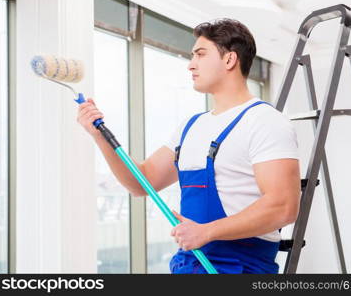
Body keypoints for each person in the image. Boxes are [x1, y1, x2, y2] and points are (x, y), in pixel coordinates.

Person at [77, 18, 301, 274]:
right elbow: (141, 182)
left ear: (229, 60)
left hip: (241, 268)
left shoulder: (264, 121)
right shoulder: (191, 127)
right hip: (190, 265)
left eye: (200, 54)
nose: (190, 65)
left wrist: (207, 232)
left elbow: (283, 206)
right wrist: (99, 136)